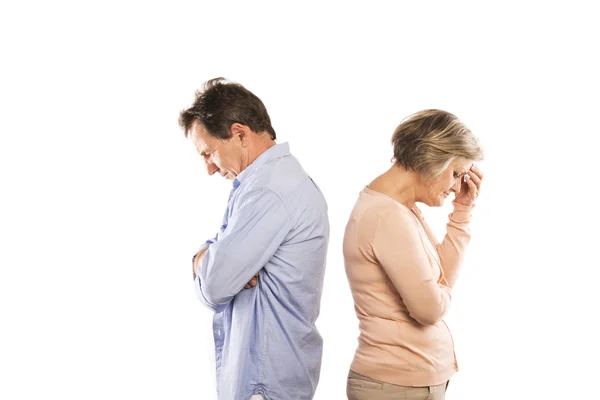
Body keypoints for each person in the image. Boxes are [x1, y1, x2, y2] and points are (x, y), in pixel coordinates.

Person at [178, 78, 329, 400]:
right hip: (266, 378)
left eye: (209, 153)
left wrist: (207, 261)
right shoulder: (263, 184)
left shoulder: (269, 190)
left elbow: (216, 287)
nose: (209, 169)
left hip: (264, 383)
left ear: (240, 134)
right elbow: (216, 260)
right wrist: (203, 258)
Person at [343, 109, 484, 400]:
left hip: (406, 384)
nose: (457, 186)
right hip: (396, 387)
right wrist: (442, 292)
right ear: (430, 158)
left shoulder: (401, 209)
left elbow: (441, 274)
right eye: (455, 173)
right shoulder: (385, 215)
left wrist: (463, 211)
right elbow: (429, 309)